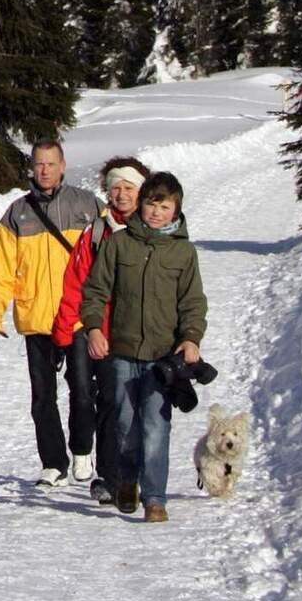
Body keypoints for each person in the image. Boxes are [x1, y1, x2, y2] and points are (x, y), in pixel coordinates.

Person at [80, 170, 207, 523]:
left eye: (165, 207)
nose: (157, 213)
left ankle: (154, 499)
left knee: (156, 426)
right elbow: (95, 290)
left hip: (161, 358)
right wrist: (93, 328)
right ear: (142, 205)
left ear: (176, 210)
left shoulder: (183, 252)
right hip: (121, 352)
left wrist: (191, 338)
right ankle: (126, 480)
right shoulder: (119, 244)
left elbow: (192, 302)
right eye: (152, 205)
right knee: (124, 425)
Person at [0, 139, 102, 487]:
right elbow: (0, 270)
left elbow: (109, 255)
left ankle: (81, 450)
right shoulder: (17, 213)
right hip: (36, 318)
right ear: (31, 168)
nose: (44, 170)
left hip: (76, 316)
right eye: (38, 164)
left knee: (82, 387)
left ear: (63, 165)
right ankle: (53, 463)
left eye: (50, 163)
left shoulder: (87, 206)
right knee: (42, 395)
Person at [52, 156, 150, 505]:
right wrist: (65, 333)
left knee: (119, 404)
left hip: (134, 334)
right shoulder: (95, 231)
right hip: (93, 327)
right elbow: (74, 283)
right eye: (115, 188)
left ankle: (126, 476)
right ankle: (108, 475)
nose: (122, 195)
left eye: (129, 188)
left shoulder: (151, 230)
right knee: (89, 394)